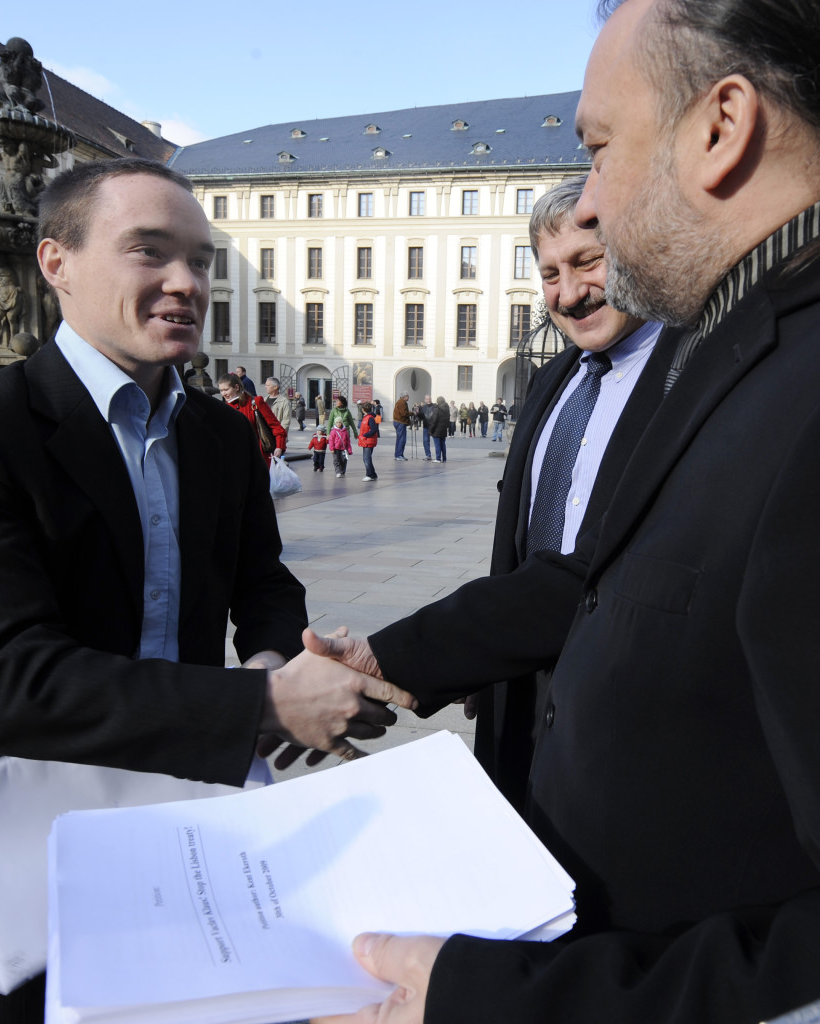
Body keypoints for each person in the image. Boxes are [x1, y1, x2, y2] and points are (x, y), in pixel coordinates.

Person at [315, 0, 820, 1020]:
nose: (589, 195)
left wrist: (506, 1001)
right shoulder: (726, 350)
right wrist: (400, 654)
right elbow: (595, 582)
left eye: (598, 147)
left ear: (721, 129)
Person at [0, 158, 413, 1021]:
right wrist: (265, 705)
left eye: (201, 260)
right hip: (8, 856)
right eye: (149, 252)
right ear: (55, 263)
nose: (186, 283)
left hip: (179, 829)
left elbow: (260, 578)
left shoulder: (219, 435)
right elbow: (4, 678)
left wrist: (278, 652)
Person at [218, 372, 286, 467]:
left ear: (236, 387)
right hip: (235, 458)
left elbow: (276, 427)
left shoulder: (256, 402)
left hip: (257, 457)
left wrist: (279, 447)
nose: (223, 393)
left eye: (226, 389)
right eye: (221, 390)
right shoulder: (224, 407)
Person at [357, 401, 379, 481]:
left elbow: (374, 429)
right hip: (366, 440)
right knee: (366, 458)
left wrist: (365, 435)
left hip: (368, 440)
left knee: (366, 458)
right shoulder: (367, 417)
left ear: (363, 409)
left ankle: (370, 475)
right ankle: (372, 474)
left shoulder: (369, 418)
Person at [428, 395, 449, 463]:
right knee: (443, 444)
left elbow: (434, 420)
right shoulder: (447, 409)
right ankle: (444, 458)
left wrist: (431, 429)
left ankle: (438, 458)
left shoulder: (437, 409)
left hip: (437, 429)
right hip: (443, 429)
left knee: (437, 444)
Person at [392, 391, 409, 461]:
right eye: (407, 396)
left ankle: (398, 454)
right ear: (404, 397)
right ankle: (399, 455)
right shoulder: (401, 403)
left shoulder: (400, 402)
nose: (408, 397)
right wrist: (412, 413)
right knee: (402, 439)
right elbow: (403, 413)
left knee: (399, 439)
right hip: (400, 422)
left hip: (398, 422)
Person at [419, 395, 435, 460]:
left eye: (429, 399)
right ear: (425, 400)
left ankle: (438, 455)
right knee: (425, 441)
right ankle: (428, 455)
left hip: (433, 425)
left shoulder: (435, 406)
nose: (428, 400)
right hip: (426, 426)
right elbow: (421, 417)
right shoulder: (423, 407)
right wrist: (417, 415)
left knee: (436, 441)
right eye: (427, 399)